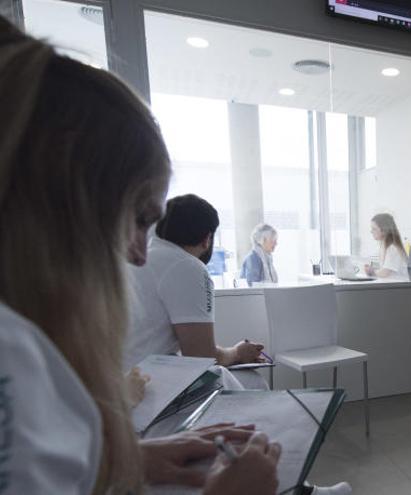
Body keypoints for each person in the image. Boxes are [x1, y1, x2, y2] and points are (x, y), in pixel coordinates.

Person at [0, 18, 279, 493]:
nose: (137, 254)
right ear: (60, 211)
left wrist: (122, 459)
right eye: (137, 217)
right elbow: (202, 355)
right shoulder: (15, 362)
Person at [125, 194, 266, 371]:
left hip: (120, 377)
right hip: (145, 381)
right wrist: (238, 352)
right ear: (207, 239)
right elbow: (202, 356)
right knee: (252, 380)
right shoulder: (188, 266)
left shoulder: (144, 257)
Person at [364, 213, 410, 281]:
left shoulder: (393, 248)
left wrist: (372, 272)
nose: (371, 231)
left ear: (384, 231)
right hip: (391, 286)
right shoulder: (384, 247)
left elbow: (385, 272)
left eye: (374, 229)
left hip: (399, 288)